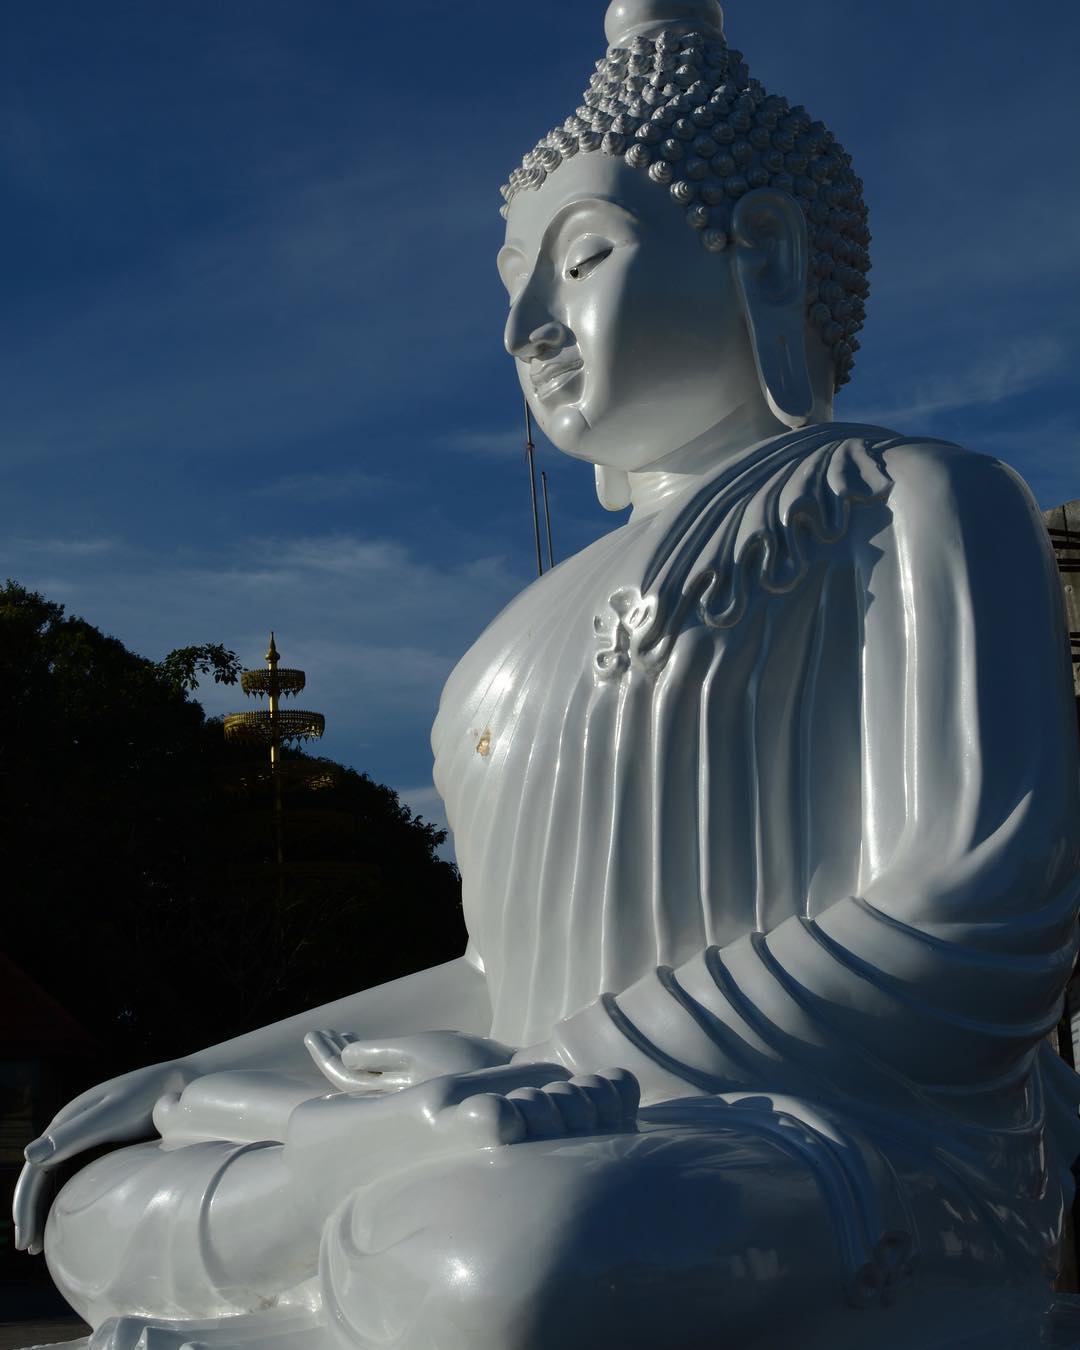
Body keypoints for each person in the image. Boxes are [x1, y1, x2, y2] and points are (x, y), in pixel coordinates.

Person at [16, 3, 1080, 1347]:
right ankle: (365, 1190)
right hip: (497, 1122)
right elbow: (490, 971)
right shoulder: (494, 658)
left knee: (520, 1248)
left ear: (761, 253)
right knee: (96, 1212)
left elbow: (978, 914)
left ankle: (355, 1218)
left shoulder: (914, 500)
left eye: (583, 259)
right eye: (513, 278)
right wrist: (203, 1071)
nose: (527, 322)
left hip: (819, 1135)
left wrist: (560, 1067)